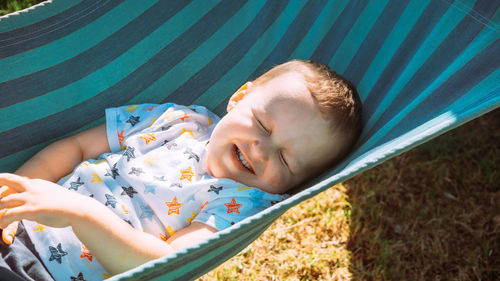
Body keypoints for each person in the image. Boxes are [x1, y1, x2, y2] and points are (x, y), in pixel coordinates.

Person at [0, 60, 362, 280]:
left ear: (298, 184)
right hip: (13, 229)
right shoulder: (179, 118)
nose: (261, 150)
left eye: (285, 159)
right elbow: (77, 147)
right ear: (239, 98)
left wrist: (78, 213)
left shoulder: (240, 203)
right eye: (262, 126)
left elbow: (163, 265)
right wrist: (17, 193)